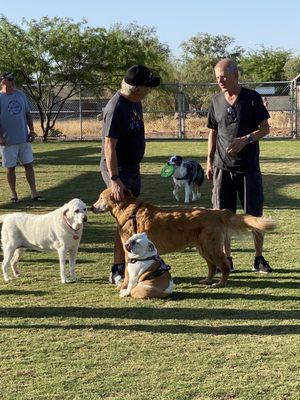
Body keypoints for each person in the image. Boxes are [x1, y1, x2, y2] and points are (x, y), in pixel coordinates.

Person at [206, 58, 273, 273]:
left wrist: (246, 139)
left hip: (248, 168)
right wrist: (209, 160)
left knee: (253, 215)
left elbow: (265, 129)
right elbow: (212, 132)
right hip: (222, 168)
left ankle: (258, 258)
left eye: (224, 76)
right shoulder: (216, 101)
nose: (220, 81)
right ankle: (227, 259)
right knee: (222, 216)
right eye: (217, 78)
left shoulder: (252, 98)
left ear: (236, 75)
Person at [100, 65, 160, 284]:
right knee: (124, 222)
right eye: (147, 87)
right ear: (136, 89)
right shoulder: (117, 108)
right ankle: (118, 269)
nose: (149, 91)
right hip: (119, 172)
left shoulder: (135, 102)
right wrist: (115, 180)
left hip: (131, 169)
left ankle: (134, 265)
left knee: (134, 220)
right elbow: (109, 146)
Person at [0, 71, 44, 203]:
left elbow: (28, 114)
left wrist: (31, 130)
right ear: (3, 81)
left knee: (28, 165)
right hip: (7, 141)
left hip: (23, 139)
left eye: (13, 79)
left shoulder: (20, 95)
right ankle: (14, 195)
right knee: (11, 168)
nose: (13, 82)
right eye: (10, 79)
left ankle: (34, 193)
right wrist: (0, 137)